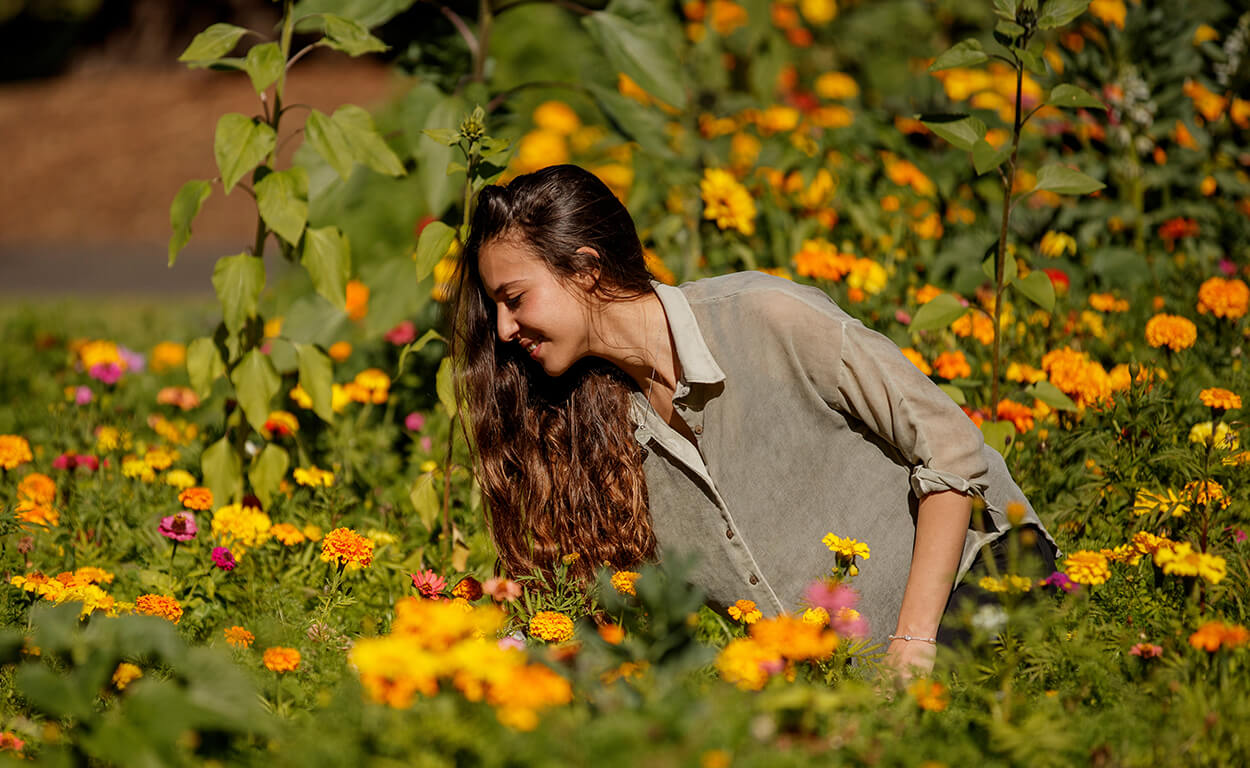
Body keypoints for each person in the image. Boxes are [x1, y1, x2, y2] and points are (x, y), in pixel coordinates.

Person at [449, 164, 1059, 679]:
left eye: (515, 298)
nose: (504, 330)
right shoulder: (596, 428)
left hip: (984, 584)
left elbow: (952, 446)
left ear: (586, 268)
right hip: (848, 683)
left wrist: (914, 645)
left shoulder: (765, 316)